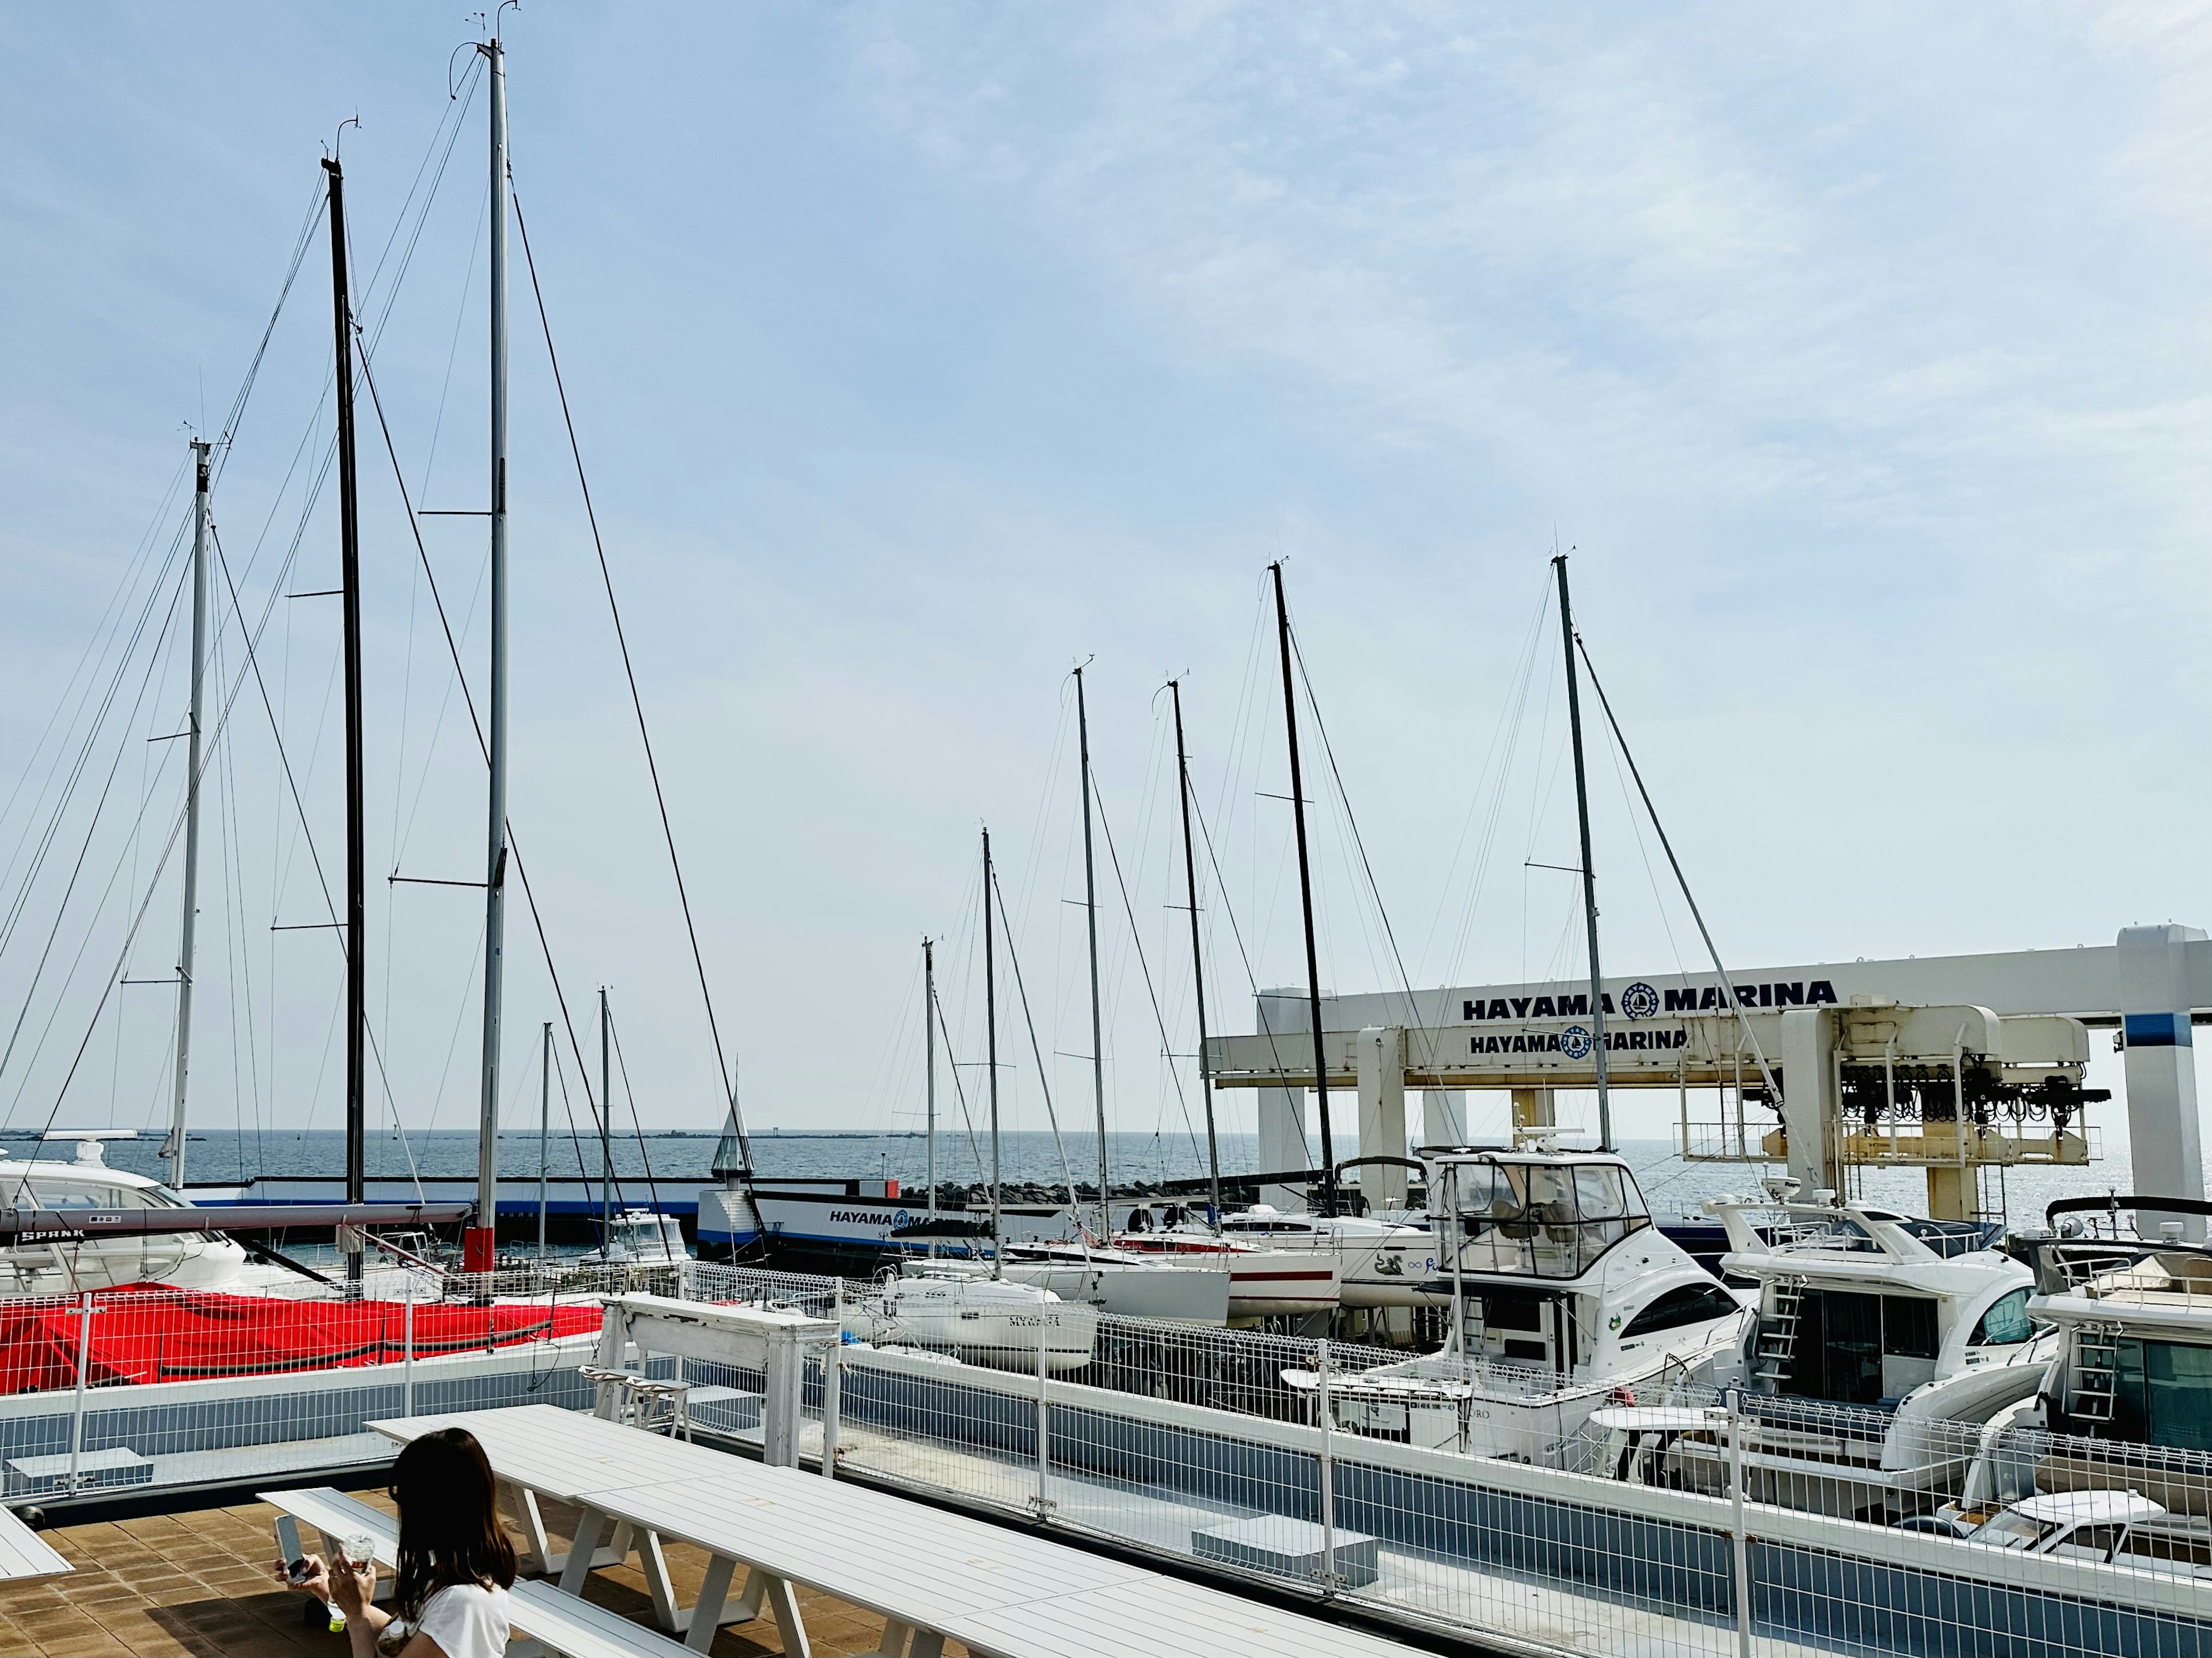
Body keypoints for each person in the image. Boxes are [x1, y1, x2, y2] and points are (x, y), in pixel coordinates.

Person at [273, 1426, 515, 1658]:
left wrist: (357, 1615)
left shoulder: (464, 1604)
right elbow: (397, 1639)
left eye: (407, 1499)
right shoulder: (449, 1575)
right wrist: (330, 1588)